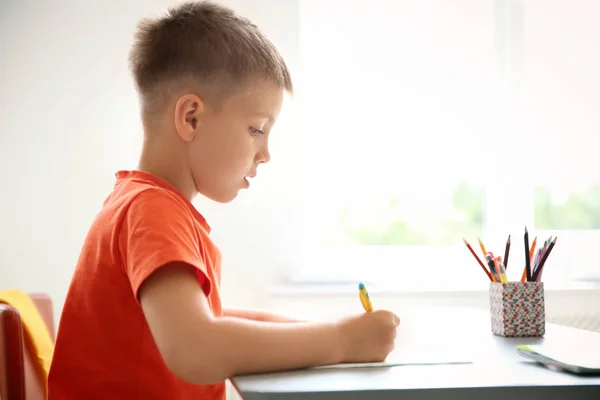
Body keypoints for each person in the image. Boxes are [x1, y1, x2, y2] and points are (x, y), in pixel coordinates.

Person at [47, 1, 400, 399]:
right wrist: (340, 341)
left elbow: (208, 320)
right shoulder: (151, 210)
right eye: (256, 129)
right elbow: (196, 346)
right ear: (191, 118)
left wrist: (334, 333)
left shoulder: (142, 203)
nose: (265, 153)